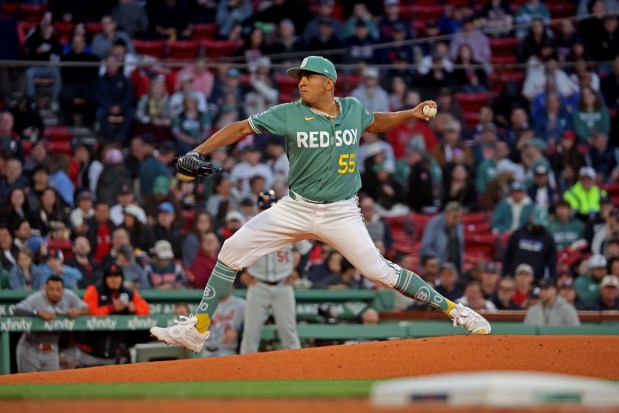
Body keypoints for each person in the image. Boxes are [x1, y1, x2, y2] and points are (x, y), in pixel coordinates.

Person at [150, 55, 491, 353]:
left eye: (308, 77)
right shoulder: (288, 114)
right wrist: (198, 151)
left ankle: (456, 311)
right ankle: (197, 329)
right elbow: (240, 128)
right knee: (231, 249)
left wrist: (410, 113)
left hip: (341, 212)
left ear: (328, 83)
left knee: (380, 272)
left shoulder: (353, 109)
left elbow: (376, 121)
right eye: (299, 77)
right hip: (295, 208)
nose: (300, 82)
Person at [239, 190, 313, 354]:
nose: (265, 211)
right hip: (258, 285)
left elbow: (306, 249)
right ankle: (243, 371)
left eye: (269, 207)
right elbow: (233, 251)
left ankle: (297, 369)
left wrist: (298, 272)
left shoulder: (288, 227)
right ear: (257, 209)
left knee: (288, 332)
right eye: (262, 208)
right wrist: (240, 273)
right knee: (251, 332)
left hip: (283, 285)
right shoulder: (249, 230)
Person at [78, 263, 150, 366]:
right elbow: (88, 312)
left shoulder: (129, 293)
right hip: (90, 354)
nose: (114, 279)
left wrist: (134, 308)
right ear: (105, 278)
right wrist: (111, 308)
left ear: (121, 278)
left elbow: (146, 310)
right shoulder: (94, 290)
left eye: (117, 276)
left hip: (113, 355)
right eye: (110, 276)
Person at [13, 275, 89, 373]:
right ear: (45, 288)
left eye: (58, 289)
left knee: (51, 385)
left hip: (52, 349)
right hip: (31, 347)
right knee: (27, 385)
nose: (55, 293)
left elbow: (86, 308)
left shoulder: (69, 296)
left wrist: (78, 311)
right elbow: (17, 310)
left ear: (63, 290)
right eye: (51, 289)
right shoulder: (37, 298)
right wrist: (38, 312)